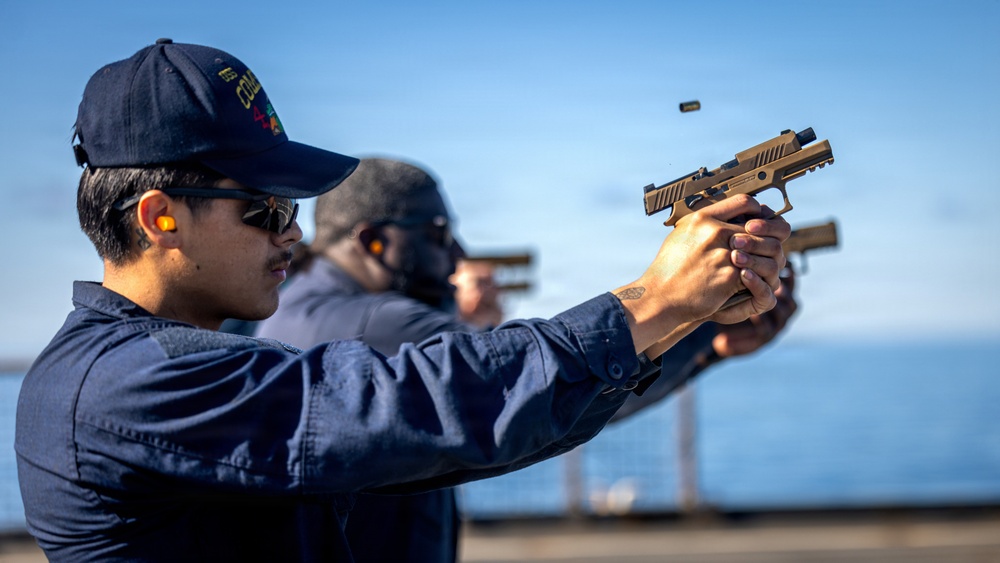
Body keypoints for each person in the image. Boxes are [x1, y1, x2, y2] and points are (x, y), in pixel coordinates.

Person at [14, 40, 789, 562]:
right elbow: (415, 400)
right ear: (159, 217)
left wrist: (678, 320)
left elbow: (434, 436)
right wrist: (655, 300)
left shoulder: (140, 365)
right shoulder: (131, 382)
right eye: (267, 210)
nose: (292, 236)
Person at [257, 157, 799, 562]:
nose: (458, 255)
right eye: (440, 235)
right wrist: (693, 322)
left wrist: (702, 347)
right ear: (374, 242)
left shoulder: (302, 307)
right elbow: (538, 393)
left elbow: (526, 393)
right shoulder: (379, 322)